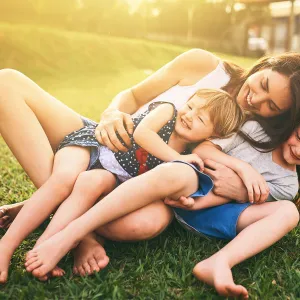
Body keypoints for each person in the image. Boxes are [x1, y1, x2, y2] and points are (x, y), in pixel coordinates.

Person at [0, 49, 300, 291]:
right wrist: (111, 114)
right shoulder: (204, 65)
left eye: (271, 106)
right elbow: (131, 97)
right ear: (265, 64)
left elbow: (225, 173)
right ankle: (75, 227)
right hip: (117, 143)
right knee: (7, 83)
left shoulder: (250, 126)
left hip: (150, 183)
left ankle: (65, 217)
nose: (255, 99)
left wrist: (237, 186)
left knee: (139, 225)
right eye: (262, 85)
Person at [24, 123, 300, 300]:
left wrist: (198, 204)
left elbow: (251, 200)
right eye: (299, 136)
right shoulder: (257, 130)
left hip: (213, 212)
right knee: (129, 221)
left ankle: (219, 262)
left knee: (288, 211)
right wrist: (243, 168)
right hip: (180, 185)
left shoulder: (289, 183)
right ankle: (72, 233)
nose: (298, 149)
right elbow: (205, 148)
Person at [0, 88, 244, 278]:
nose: (189, 115)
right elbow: (142, 134)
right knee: (62, 180)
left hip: (110, 175)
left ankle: (46, 247)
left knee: (90, 183)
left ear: (213, 135)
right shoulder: (168, 111)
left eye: (200, 118)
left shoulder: (192, 152)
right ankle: (6, 246)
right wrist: (178, 157)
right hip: (93, 147)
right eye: (190, 106)